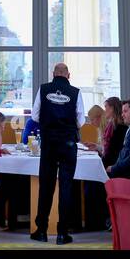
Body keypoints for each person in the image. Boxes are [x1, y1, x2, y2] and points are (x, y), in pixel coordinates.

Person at [30, 62, 85, 245]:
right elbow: (80, 121)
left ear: (53, 74)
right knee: (66, 186)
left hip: (48, 143)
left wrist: (50, 122)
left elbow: (35, 116)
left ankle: (42, 231)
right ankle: (62, 234)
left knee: (46, 185)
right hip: (68, 143)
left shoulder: (43, 89)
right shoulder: (76, 92)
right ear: (69, 75)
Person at [101, 96, 126, 168]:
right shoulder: (111, 125)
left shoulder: (120, 127)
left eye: (106, 107)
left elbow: (114, 151)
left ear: (112, 108)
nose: (104, 111)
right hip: (109, 161)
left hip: (113, 165)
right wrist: (97, 147)